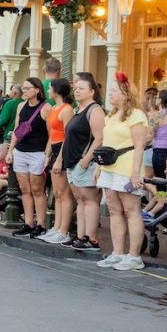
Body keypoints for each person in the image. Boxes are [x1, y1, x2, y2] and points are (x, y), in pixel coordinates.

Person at [95, 73, 150, 272]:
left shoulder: (136, 115)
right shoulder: (111, 115)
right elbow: (106, 142)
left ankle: (134, 255)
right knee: (114, 209)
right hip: (109, 166)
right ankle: (117, 251)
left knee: (131, 210)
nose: (110, 94)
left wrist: (136, 173)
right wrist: (99, 167)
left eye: (114, 91)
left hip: (127, 166)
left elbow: (139, 145)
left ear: (126, 94)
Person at [62, 74, 106, 253]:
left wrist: (86, 159)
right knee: (80, 200)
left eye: (81, 88)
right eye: (76, 88)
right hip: (72, 162)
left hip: (85, 163)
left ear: (92, 91)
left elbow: (99, 137)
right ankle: (80, 236)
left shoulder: (94, 110)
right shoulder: (78, 109)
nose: (77, 91)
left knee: (90, 200)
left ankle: (92, 238)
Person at [6, 78, 50, 238]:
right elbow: (17, 130)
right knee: (24, 190)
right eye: (23, 88)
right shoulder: (20, 106)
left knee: (37, 190)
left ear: (37, 89)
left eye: (27, 88)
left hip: (37, 152)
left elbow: (51, 135)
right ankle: (28, 223)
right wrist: (10, 151)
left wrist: (47, 154)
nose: (23, 91)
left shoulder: (46, 108)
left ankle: (41, 224)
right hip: (20, 151)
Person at [40, 79, 75, 245]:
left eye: (50, 88)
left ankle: (63, 230)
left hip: (62, 150)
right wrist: (47, 155)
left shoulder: (66, 110)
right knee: (56, 193)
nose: (48, 91)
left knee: (64, 193)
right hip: (53, 148)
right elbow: (51, 134)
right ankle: (56, 227)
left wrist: (60, 158)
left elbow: (68, 136)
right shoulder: (53, 108)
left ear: (57, 91)